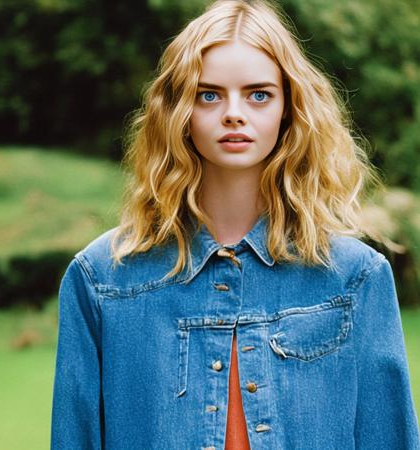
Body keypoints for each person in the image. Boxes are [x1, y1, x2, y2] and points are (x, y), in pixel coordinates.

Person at [51, 0, 419, 448]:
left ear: (289, 107)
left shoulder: (356, 277)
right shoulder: (101, 280)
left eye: (258, 94)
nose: (233, 113)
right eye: (208, 94)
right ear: (177, 111)